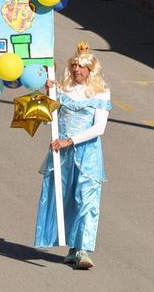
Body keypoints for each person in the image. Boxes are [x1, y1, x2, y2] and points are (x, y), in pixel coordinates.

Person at [35, 42, 112, 270]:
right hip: (63, 153)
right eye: (74, 65)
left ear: (90, 70)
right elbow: (49, 116)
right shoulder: (62, 89)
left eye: (81, 66)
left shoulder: (101, 91)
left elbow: (99, 128)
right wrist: (46, 93)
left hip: (88, 154)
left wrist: (71, 140)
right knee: (64, 197)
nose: (77, 69)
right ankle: (72, 247)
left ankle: (83, 249)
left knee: (86, 200)